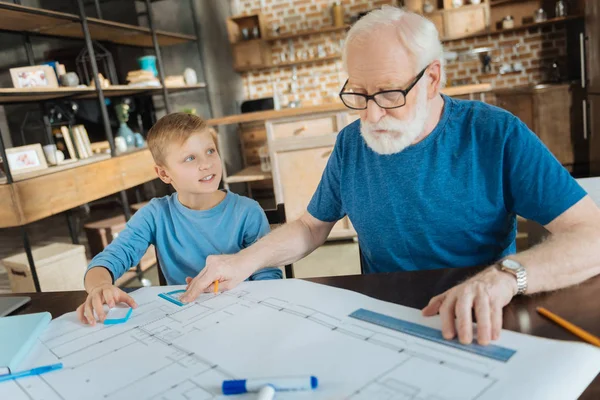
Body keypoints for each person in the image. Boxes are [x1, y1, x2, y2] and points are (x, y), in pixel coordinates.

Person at [180, 6, 600, 346]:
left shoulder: (495, 134)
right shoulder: (351, 144)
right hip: (384, 322)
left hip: (483, 319)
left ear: (432, 78)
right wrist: (242, 261)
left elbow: (592, 236)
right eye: (358, 94)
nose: (371, 114)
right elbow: (311, 227)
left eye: (387, 94)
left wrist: (505, 277)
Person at [76, 113, 282, 325]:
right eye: (190, 158)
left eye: (210, 151)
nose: (206, 164)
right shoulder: (155, 214)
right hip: (186, 320)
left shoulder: (247, 211)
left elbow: (268, 278)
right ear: (164, 174)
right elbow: (110, 259)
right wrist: (99, 286)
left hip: (244, 315)